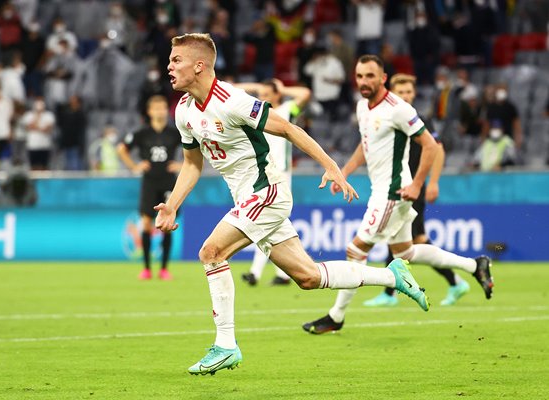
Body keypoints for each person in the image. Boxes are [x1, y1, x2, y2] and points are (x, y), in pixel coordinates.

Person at [157, 33, 430, 376]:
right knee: (308, 277)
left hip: (267, 192)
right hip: (247, 199)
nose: (169, 66)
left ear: (199, 66)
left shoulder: (232, 101)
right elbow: (192, 164)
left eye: (176, 60)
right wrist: (172, 204)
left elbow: (287, 128)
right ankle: (391, 276)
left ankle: (226, 345)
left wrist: (330, 165)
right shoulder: (184, 110)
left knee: (211, 252)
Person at [302, 55, 494, 336]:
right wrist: (343, 172)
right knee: (407, 252)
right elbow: (365, 146)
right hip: (383, 192)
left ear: (383, 78)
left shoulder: (398, 109)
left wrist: (417, 185)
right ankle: (474, 265)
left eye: (370, 76)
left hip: (394, 193)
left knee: (355, 250)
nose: (364, 82)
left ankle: (336, 315)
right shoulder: (361, 107)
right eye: (359, 76)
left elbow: (430, 146)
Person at [362, 73, 471, 308]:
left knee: (408, 239)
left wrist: (433, 182)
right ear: (392, 92)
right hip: (398, 188)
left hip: (413, 188)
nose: (407, 96)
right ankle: (454, 281)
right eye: (402, 92)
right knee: (405, 239)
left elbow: (437, 150)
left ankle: (454, 281)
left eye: (410, 92)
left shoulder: (419, 119)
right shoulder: (385, 116)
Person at [233, 78, 311, 286]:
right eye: (261, 95)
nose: (263, 98)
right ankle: (282, 274)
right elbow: (231, 91)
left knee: (267, 221)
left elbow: (305, 93)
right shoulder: (256, 113)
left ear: (277, 95)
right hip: (262, 173)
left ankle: (257, 273)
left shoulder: (286, 110)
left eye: (268, 94)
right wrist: (255, 87)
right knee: (273, 222)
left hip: (281, 174)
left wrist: (283, 87)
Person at [118, 95, 182, 281]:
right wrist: (134, 166)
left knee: (168, 225)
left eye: (163, 107)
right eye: (156, 108)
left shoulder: (174, 133)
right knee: (146, 224)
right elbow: (122, 149)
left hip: (168, 182)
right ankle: (146, 268)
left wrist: (180, 165)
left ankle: (164, 269)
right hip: (149, 182)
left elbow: (194, 149)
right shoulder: (141, 133)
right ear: (149, 111)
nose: (160, 111)